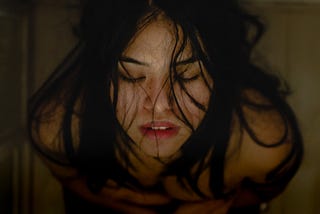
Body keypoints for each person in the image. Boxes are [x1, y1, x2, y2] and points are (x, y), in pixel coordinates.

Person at [28, 0, 303, 213]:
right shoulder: (56, 128)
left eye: (186, 75)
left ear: (218, 74)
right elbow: (63, 173)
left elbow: (263, 193)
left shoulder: (265, 143)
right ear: (103, 76)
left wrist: (229, 205)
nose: (159, 106)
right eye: (132, 76)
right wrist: (111, 203)